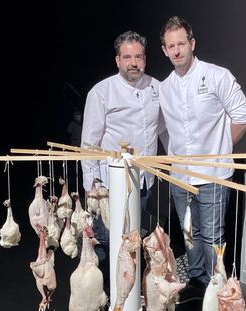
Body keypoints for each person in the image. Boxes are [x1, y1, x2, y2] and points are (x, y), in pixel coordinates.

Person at [159, 16, 246, 303]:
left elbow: (243, 116)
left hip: (213, 174)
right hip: (180, 178)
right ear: (164, 50)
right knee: (189, 235)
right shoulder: (164, 87)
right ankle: (198, 287)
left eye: (181, 44)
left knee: (213, 238)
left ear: (192, 44)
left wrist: (220, 149)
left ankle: (217, 291)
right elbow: (163, 129)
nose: (177, 51)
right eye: (171, 46)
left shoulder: (216, 76)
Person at [80, 30, 164, 298]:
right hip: (107, 185)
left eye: (138, 56)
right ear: (117, 60)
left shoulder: (157, 88)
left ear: (145, 59)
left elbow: (165, 131)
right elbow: (89, 145)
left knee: (133, 238)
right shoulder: (101, 92)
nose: (133, 63)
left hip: (142, 182)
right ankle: (103, 296)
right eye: (127, 57)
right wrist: (92, 186)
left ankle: (128, 296)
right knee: (105, 241)